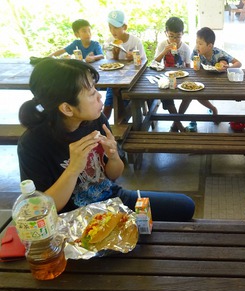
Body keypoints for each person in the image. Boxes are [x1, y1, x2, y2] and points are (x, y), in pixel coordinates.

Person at [17, 58, 195, 221]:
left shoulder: (95, 120)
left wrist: (114, 155)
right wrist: (73, 169)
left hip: (113, 200)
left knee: (185, 206)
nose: (99, 96)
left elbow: (113, 175)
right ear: (67, 108)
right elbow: (43, 209)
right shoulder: (33, 144)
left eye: (96, 88)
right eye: (91, 93)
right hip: (74, 219)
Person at [182, 27, 242, 132]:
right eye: (196, 42)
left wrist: (228, 68)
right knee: (191, 94)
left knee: (193, 95)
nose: (197, 46)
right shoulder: (196, 52)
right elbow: (194, 67)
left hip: (218, 83)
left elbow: (238, 63)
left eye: (200, 43)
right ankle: (177, 120)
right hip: (203, 81)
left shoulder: (219, 53)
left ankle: (177, 120)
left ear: (209, 46)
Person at [102, 10, 147, 120]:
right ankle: (101, 126)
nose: (113, 31)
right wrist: (115, 56)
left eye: (116, 27)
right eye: (110, 27)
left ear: (125, 27)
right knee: (108, 103)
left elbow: (144, 61)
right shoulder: (109, 42)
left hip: (132, 79)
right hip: (115, 79)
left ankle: (124, 122)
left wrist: (134, 57)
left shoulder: (135, 41)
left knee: (126, 103)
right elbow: (109, 64)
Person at [154, 17, 191, 132]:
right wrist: (165, 51)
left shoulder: (186, 48)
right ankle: (179, 126)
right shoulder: (162, 45)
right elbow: (155, 62)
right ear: (166, 33)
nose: (174, 39)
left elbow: (189, 67)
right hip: (166, 77)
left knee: (189, 96)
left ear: (182, 34)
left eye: (178, 36)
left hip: (182, 76)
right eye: (171, 36)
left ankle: (176, 124)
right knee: (166, 96)